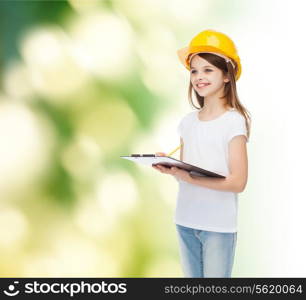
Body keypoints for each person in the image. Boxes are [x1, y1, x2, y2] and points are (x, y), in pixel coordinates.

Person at [152, 29, 251, 278]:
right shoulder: (188, 122)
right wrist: (171, 167)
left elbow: (238, 182)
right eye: (194, 70)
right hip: (185, 220)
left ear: (227, 75)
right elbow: (187, 172)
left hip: (217, 226)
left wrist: (189, 178)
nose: (199, 77)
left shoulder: (233, 122)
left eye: (208, 70)